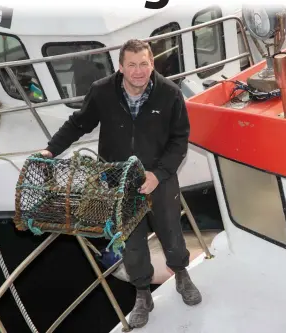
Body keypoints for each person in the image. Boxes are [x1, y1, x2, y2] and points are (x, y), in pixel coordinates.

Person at [40, 39, 202, 328]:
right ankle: (142, 293)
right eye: (132, 65)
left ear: (152, 63)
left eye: (144, 64)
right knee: (131, 242)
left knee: (171, 232)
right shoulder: (102, 92)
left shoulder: (170, 94)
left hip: (159, 178)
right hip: (118, 181)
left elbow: (180, 140)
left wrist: (159, 174)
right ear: (121, 67)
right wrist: (50, 150)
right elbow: (79, 123)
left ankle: (181, 274)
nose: (138, 71)